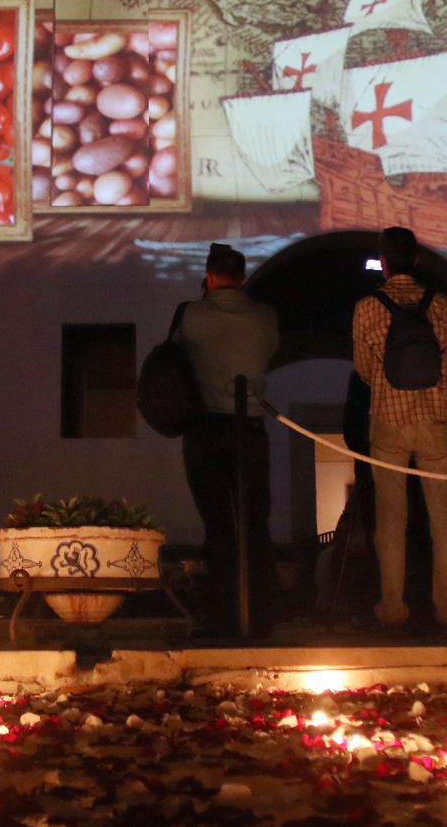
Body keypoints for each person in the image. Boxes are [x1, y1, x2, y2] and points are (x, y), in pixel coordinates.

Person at [352, 227, 447, 629]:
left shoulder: (368, 307)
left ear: (383, 262)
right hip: (436, 421)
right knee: (445, 519)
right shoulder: (443, 306)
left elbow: (364, 371)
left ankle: (394, 607)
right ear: (417, 259)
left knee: (392, 519)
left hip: (389, 420)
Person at [173, 242, 281, 636]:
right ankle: (260, 615)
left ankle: (223, 615)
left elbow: (175, 355)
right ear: (245, 277)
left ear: (209, 276)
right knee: (255, 522)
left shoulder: (191, 315)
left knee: (217, 525)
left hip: (205, 429)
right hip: (250, 426)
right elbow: (270, 351)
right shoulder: (265, 316)